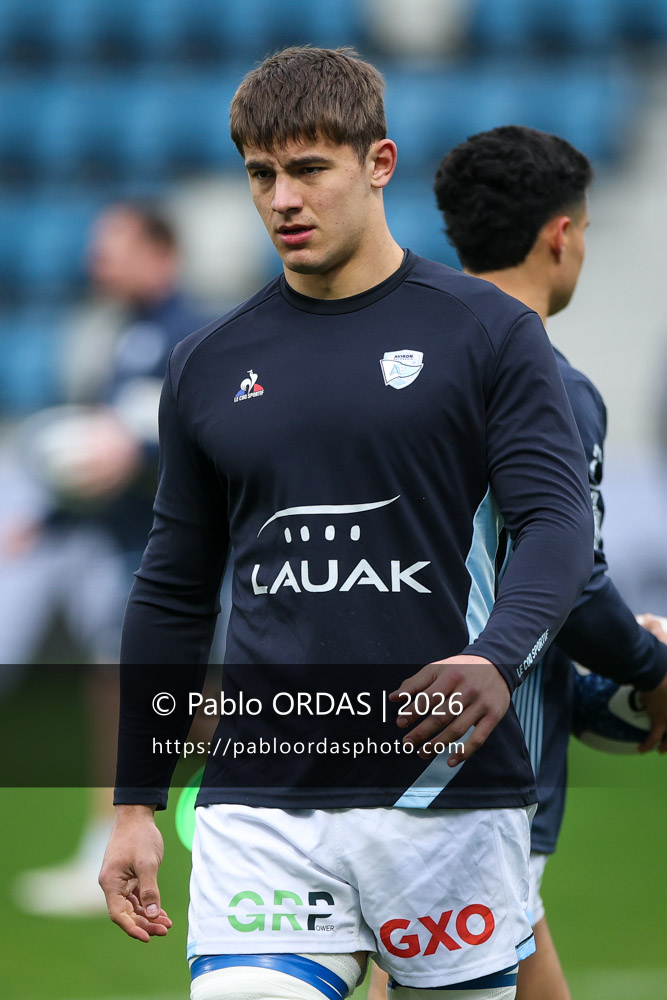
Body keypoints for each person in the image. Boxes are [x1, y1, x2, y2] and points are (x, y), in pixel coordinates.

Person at [99, 49, 595, 1000]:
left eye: (309, 168)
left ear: (379, 163)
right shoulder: (207, 362)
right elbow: (171, 586)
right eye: (260, 174)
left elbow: (556, 522)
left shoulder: (488, 333)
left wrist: (497, 656)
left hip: (445, 796)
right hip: (262, 800)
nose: (283, 198)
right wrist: (135, 802)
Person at [353, 123, 667, 1000]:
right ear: (560, 236)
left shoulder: (391, 369)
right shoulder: (549, 384)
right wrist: (648, 667)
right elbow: (568, 577)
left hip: (384, 730)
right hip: (479, 761)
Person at [10, 202, 211, 917]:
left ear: (159, 251)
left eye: (112, 248)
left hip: (179, 553)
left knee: (164, 698)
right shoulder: (128, 335)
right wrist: (46, 517)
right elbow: (108, 446)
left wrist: (139, 450)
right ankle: (114, 842)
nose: (97, 262)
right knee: (134, 693)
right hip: (135, 548)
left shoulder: (187, 331)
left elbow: (176, 437)